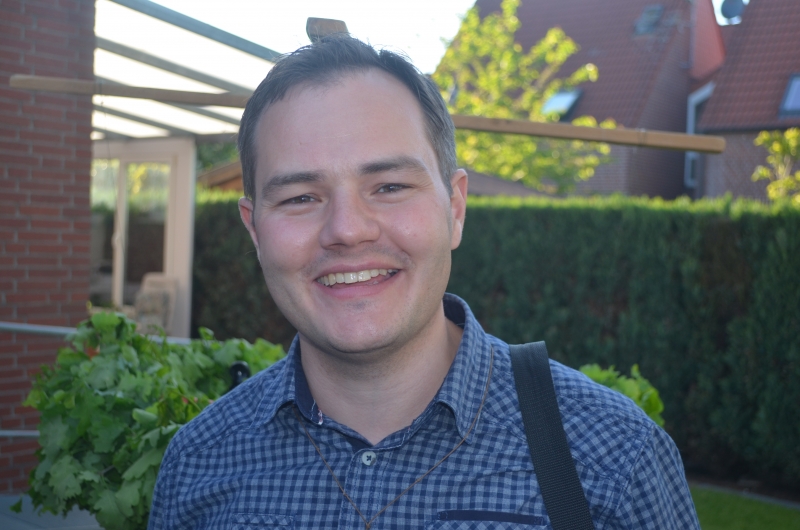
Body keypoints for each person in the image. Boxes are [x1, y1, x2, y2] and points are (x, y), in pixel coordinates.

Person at [148, 35, 699, 529]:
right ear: (254, 229)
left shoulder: (612, 459)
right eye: (299, 198)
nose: (347, 230)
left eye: (389, 186)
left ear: (454, 208)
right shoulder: (198, 463)